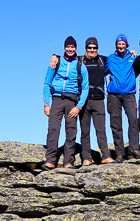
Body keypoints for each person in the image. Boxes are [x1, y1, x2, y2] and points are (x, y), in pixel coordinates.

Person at [51, 37, 113, 165]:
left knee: (101, 130)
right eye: (89, 48)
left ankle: (105, 155)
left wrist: (131, 53)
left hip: (99, 100)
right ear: (85, 48)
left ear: (97, 48)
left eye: (94, 48)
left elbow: (118, 59)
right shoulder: (80, 60)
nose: (92, 50)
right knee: (85, 131)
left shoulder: (103, 60)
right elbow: (67, 56)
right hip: (83, 100)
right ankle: (86, 158)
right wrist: (54, 56)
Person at [42, 36, 90, 170]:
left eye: (72, 47)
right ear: (64, 47)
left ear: (76, 48)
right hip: (56, 99)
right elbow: (47, 83)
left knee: (71, 132)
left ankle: (68, 161)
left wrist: (78, 107)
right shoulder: (56, 63)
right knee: (53, 130)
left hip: (72, 101)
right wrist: (47, 104)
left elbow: (85, 88)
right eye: (68, 46)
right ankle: (50, 160)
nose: (70, 49)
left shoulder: (81, 66)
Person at [105, 34, 140, 162]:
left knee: (133, 120)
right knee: (116, 124)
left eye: (123, 44)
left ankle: (134, 149)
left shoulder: (132, 57)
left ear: (126, 45)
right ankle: (119, 153)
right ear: (116, 45)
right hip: (113, 95)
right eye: (119, 44)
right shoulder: (110, 59)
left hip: (129, 94)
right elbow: (100, 71)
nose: (121, 46)